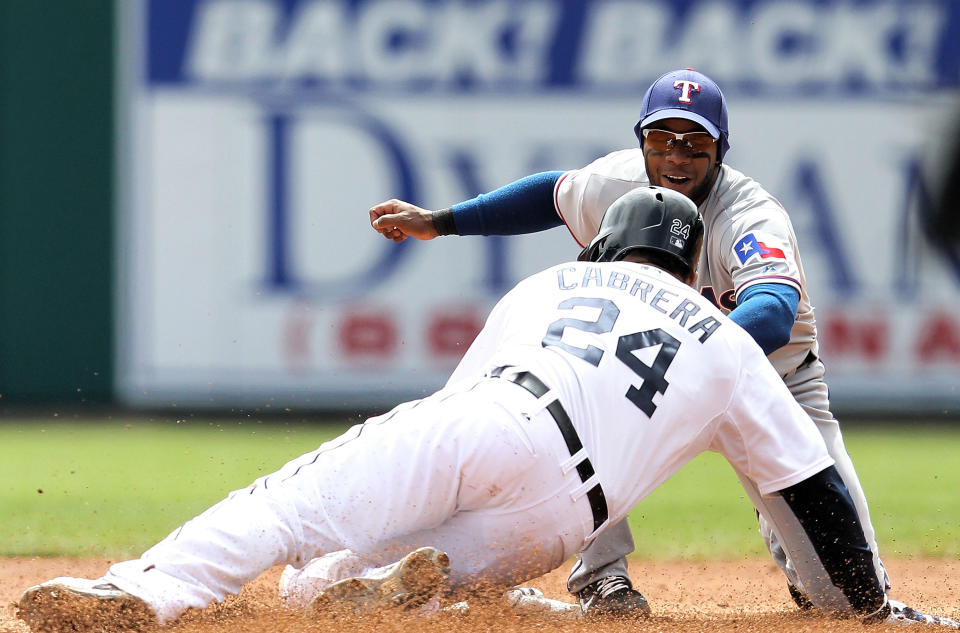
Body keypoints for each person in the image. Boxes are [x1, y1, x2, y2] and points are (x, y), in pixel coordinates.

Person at [19, 188, 898, 631]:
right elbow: (812, 486)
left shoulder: (555, 277)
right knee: (333, 589)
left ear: (603, 242)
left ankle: (142, 590)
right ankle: (386, 593)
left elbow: (459, 413)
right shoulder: (726, 341)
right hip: (559, 518)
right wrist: (867, 605)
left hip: (494, 416)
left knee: (294, 508)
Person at [366, 68, 953, 624]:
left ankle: (803, 563)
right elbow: (549, 194)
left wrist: (696, 352)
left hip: (771, 381)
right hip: (653, 372)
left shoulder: (750, 215)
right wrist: (440, 221)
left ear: (720, 149)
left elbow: (773, 312)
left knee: (843, 589)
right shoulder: (617, 185)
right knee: (585, 415)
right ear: (642, 142)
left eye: (695, 142)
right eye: (662, 138)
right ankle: (601, 576)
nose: (677, 155)